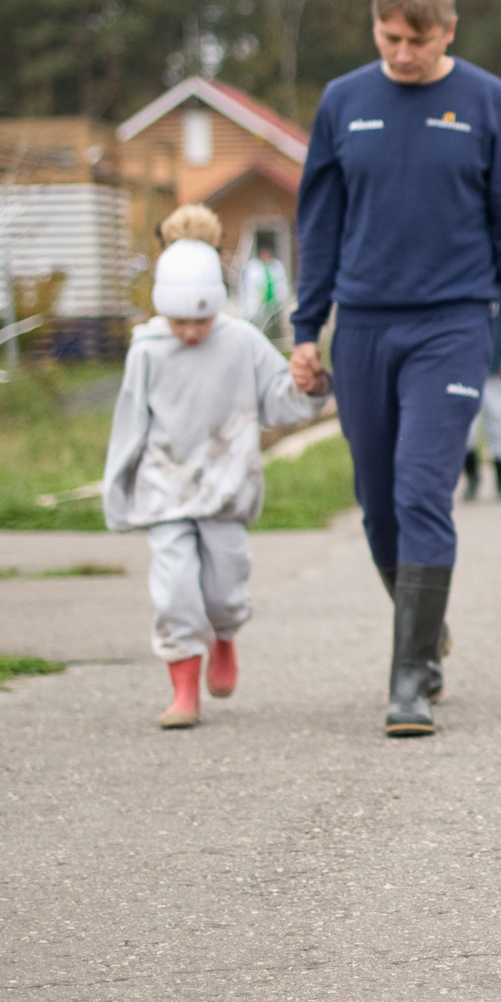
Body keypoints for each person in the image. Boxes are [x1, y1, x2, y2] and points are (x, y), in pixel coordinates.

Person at [289, 0, 501, 738]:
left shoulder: (486, 101)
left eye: (419, 39)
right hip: (363, 325)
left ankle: (410, 677)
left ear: (449, 31)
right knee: (376, 505)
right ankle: (424, 627)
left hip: (452, 323)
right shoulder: (342, 102)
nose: (403, 53)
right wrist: (306, 330)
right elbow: (318, 225)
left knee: (420, 490)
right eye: (390, 36)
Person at [104, 223, 331, 729]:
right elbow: (130, 421)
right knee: (175, 590)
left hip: (227, 485)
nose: (190, 332)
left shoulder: (242, 342)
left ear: (216, 305)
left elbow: (278, 399)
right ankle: (184, 692)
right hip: (165, 487)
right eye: (179, 320)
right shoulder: (147, 350)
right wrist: (118, 490)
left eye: (201, 319)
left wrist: (310, 388)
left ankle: (224, 634)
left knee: (225, 587)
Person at [461, 383, 501, 502]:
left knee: (499, 424)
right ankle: (472, 477)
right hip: (465, 373)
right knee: (465, 429)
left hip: (496, 373)